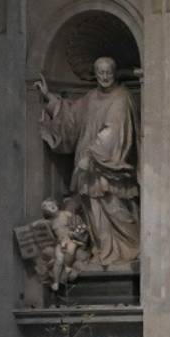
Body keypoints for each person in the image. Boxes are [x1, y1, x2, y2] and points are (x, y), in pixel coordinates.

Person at [35, 56, 140, 268]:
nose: (104, 77)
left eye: (108, 72)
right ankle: (103, 252)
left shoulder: (121, 97)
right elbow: (71, 117)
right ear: (95, 74)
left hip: (108, 167)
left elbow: (113, 132)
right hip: (85, 168)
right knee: (93, 213)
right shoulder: (91, 97)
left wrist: (91, 157)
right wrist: (49, 98)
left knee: (115, 209)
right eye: (100, 73)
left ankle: (130, 248)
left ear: (114, 72)